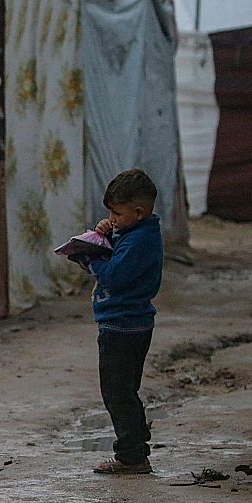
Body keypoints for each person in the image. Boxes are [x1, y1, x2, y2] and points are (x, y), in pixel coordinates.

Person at [86, 168, 164, 475]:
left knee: (117, 393)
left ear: (139, 212)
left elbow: (114, 276)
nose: (112, 217)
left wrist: (91, 255)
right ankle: (135, 443)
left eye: (116, 213)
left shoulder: (139, 241)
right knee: (124, 391)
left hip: (122, 326)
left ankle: (132, 456)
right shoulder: (135, 233)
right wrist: (106, 234)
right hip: (130, 324)